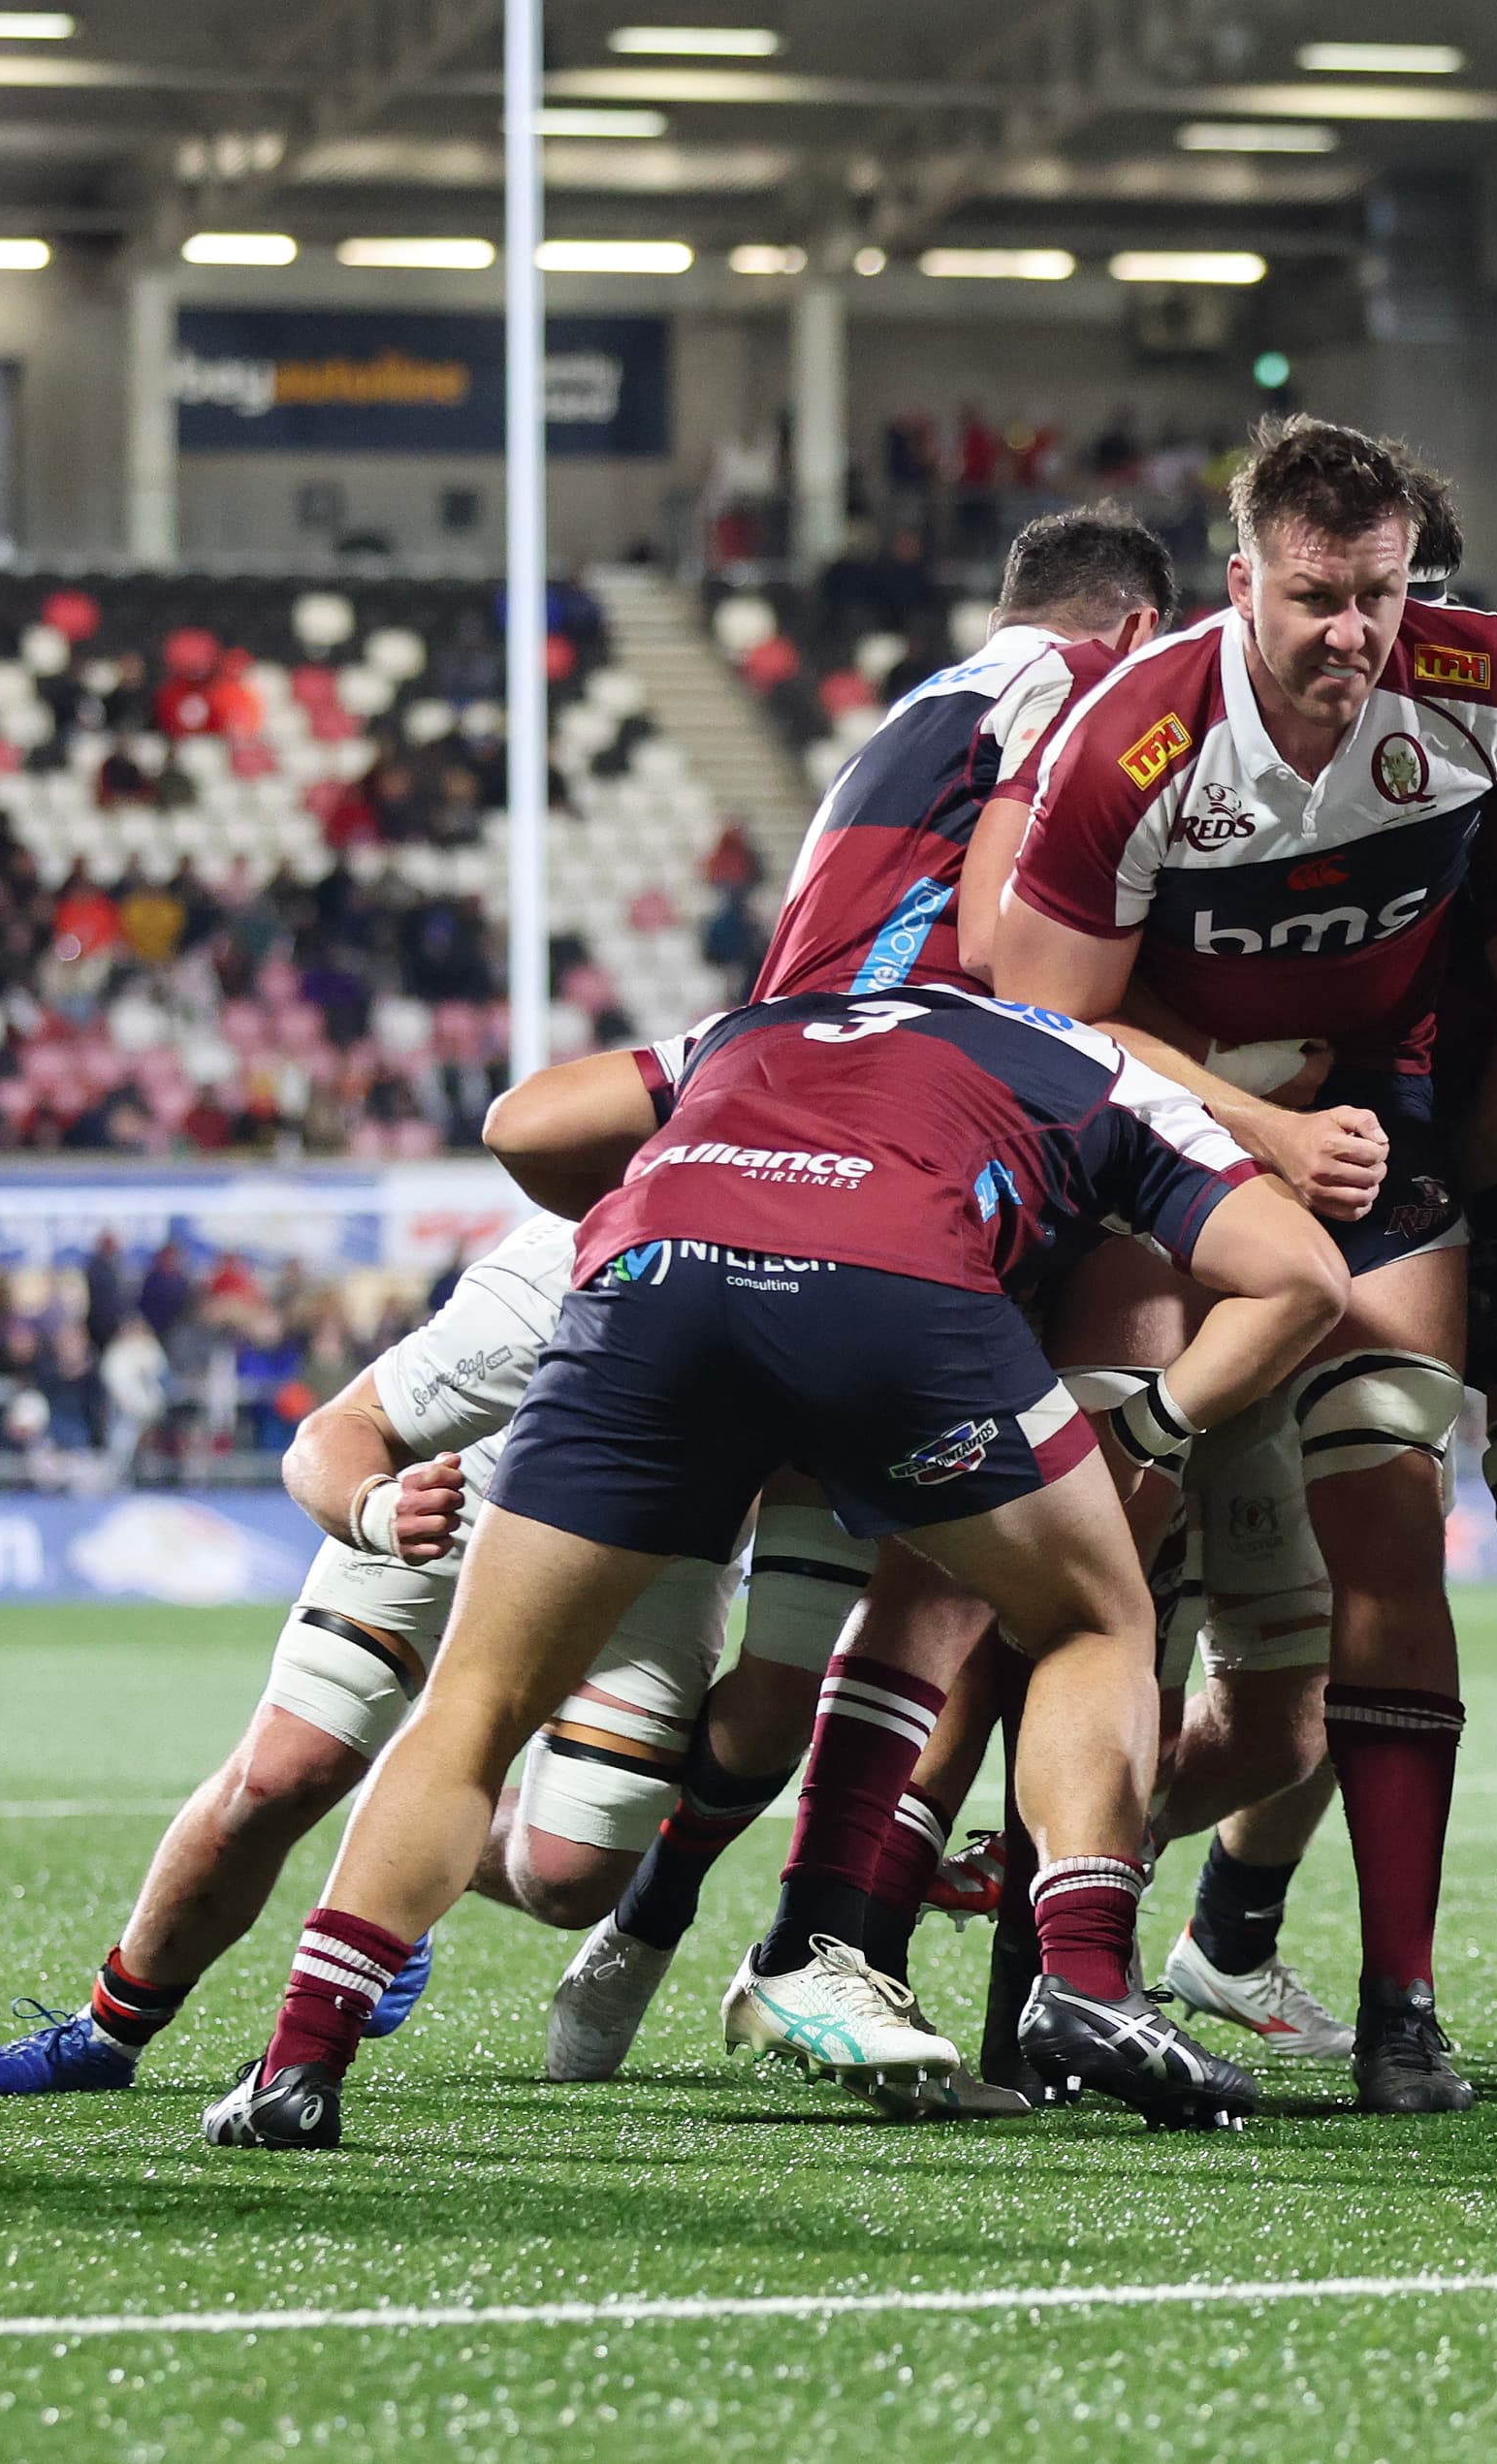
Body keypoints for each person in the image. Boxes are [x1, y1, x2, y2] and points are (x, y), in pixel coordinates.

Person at [203, 986, 1347, 2149]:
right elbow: (1303, 1278)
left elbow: (523, 1124)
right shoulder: (1107, 1068)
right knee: (1088, 1620)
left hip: (657, 1284)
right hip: (899, 1299)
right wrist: (1155, 1423)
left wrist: (660, 1212)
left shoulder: (770, 1019)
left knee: (477, 1705)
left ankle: (300, 2061)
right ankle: (1088, 1981)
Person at [997, 413, 1497, 2111]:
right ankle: (1053, 1984)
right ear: (1240, 584)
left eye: (1380, 593)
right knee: (1118, 1533)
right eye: (1316, 596)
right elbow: (1041, 1018)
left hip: (1385, 1131)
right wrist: (1258, 1142)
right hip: (1158, 1146)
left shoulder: (1479, 677)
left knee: (1389, 1503)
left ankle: (1403, 2007)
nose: (1355, 632)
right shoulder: (1138, 738)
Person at [495, 506, 1185, 2085]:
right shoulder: (1093, 698)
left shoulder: (912, 714)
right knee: (997, 1561)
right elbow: (1025, 975)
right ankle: (826, 1935)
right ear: (1135, 631)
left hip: (722, 1170)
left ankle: (670, 1922)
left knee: (745, 1699)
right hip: (896, 1170)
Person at [0, 1212, 763, 2099]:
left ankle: (398, 1828)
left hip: (664, 1544)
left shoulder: (844, 1265)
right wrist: (379, 1507)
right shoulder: (566, 1258)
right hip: (466, 1488)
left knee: (571, 1878)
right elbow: (330, 1437)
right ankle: (106, 2032)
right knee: (283, 1772)